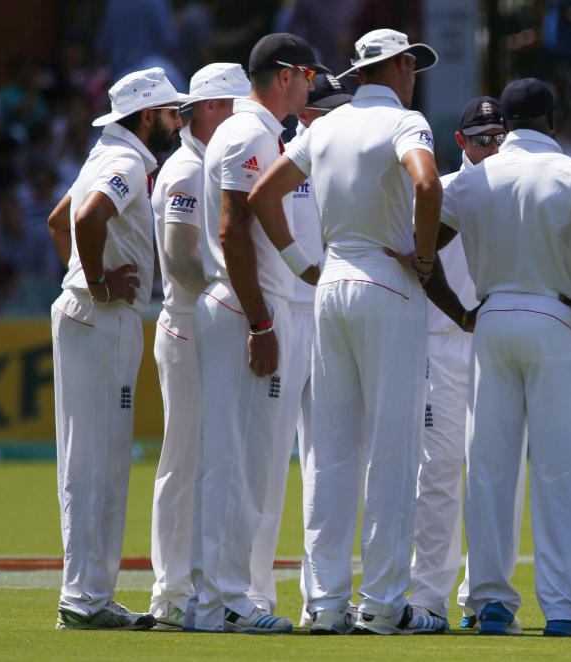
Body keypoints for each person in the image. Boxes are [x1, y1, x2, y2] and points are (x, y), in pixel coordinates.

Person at [246, 28, 446, 635]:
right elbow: (428, 183)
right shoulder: (406, 122)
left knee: (330, 452)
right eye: (413, 65)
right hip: (388, 283)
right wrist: (426, 257)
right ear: (403, 67)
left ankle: (326, 603)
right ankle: (384, 605)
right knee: (392, 448)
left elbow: (262, 194)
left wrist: (297, 261)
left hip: (330, 284)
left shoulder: (323, 126)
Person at [435, 77, 571, 637]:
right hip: (555, 319)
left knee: (491, 470)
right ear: (551, 120)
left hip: (492, 320)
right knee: (559, 471)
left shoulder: (475, 180)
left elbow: (422, 253)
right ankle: (564, 608)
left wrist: (460, 312)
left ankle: (492, 603)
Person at [187, 33, 321, 635]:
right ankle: (227, 601)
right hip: (249, 309)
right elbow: (233, 229)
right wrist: (264, 319)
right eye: (310, 75)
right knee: (241, 459)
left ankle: (215, 599)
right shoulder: (250, 133)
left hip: (251, 303)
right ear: (287, 74)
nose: (313, 85)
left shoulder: (258, 133)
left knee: (244, 458)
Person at [48, 66, 185, 630]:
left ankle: (89, 596)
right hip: (103, 315)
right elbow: (82, 217)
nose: (178, 121)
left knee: (92, 458)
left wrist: (84, 276)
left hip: (90, 313)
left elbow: (60, 223)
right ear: (147, 116)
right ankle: (85, 600)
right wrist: (98, 282)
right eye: (171, 112)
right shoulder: (127, 161)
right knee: (98, 460)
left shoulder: (106, 154)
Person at [405, 96, 520, 631]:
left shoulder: (520, 186)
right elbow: (419, 262)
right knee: (442, 471)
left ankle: (487, 595)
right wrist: (462, 316)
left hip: (497, 341)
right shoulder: (445, 190)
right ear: (461, 142)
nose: (491, 147)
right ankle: (428, 595)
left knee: (499, 475)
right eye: (481, 138)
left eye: (499, 136)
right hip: (446, 342)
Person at [148, 62, 251, 629]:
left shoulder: (204, 161)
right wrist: (223, 298)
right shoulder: (188, 168)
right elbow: (180, 257)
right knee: (184, 459)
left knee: (203, 457)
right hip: (190, 326)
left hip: (203, 321)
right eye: (234, 105)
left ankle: (191, 583)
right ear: (212, 107)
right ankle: (171, 592)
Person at [249, 72, 353, 627]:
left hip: (333, 313)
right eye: (328, 109)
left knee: (331, 458)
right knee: (268, 460)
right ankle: (255, 595)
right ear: (307, 115)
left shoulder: (352, 164)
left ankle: (326, 597)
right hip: (289, 311)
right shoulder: (281, 159)